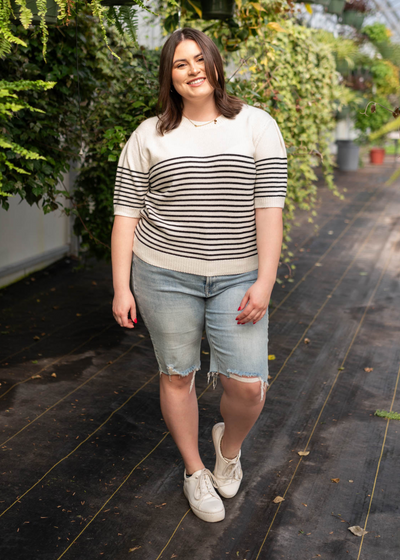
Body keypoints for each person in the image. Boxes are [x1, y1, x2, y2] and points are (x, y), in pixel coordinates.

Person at [111, 27, 287, 523]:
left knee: (249, 385)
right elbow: (126, 212)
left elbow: (269, 207)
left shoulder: (256, 125)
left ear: (214, 64)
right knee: (177, 374)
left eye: (199, 59)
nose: (192, 70)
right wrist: (122, 286)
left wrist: (265, 281)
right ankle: (195, 471)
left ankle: (227, 451)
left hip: (238, 276)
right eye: (179, 64)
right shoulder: (150, 135)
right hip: (163, 275)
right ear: (169, 76)